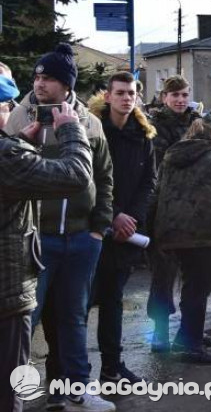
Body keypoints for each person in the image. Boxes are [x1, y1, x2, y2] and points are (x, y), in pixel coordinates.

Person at [3, 44, 115, 412]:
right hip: (36, 239)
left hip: (81, 238)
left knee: (73, 319)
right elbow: (56, 173)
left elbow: (103, 176)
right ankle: (16, 394)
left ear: (67, 85)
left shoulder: (90, 122)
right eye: (36, 77)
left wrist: (98, 228)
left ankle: (72, 391)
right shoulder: (20, 117)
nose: (39, 84)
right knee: (23, 323)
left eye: (48, 78)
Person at [1, 101, 93, 412]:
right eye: (6, 105)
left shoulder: (9, 153)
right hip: (6, 294)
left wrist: (19, 144)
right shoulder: (7, 157)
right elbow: (76, 175)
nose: (12, 112)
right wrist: (71, 130)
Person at [147, 76, 211, 354]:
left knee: (195, 279)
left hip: (199, 211)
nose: (180, 100)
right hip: (166, 206)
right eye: (174, 95)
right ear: (164, 97)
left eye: (184, 95)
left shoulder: (197, 121)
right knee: (163, 276)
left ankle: (189, 332)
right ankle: (159, 333)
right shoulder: (153, 127)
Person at [89, 72, 156, 385]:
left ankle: (111, 367)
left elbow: (148, 182)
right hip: (92, 230)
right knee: (78, 304)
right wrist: (113, 216)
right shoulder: (92, 131)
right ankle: (63, 372)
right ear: (108, 96)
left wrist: (131, 219)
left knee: (113, 300)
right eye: (120, 93)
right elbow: (86, 180)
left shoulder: (143, 136)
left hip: (126, 233)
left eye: (131, 93)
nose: (126, 98)